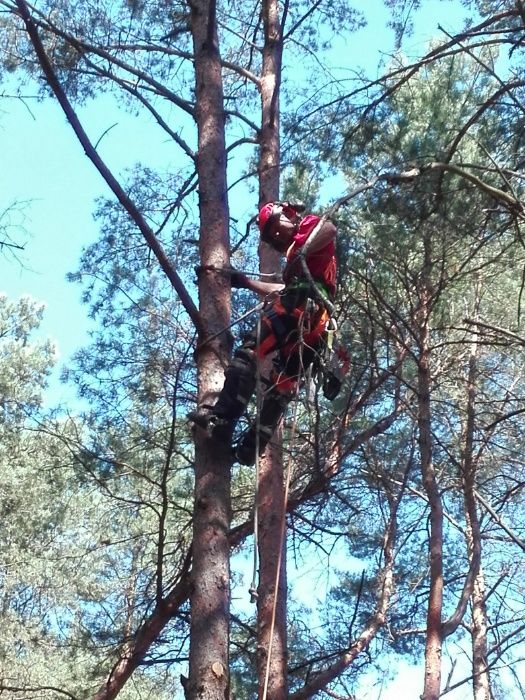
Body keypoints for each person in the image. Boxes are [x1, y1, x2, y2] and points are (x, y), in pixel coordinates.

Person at [189, 201, 338, 465]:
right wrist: (244, 282)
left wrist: (300, 253)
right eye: (270, 236)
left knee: (249, 351)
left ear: (289, 215)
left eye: (275, 227)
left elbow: (329, 229)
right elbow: (280, 289)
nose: (276, 237)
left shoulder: (309, 228)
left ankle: (221, 419)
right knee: (281, 388)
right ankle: (248, 449)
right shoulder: (300, 262)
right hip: (310, 318)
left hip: (302, 307)